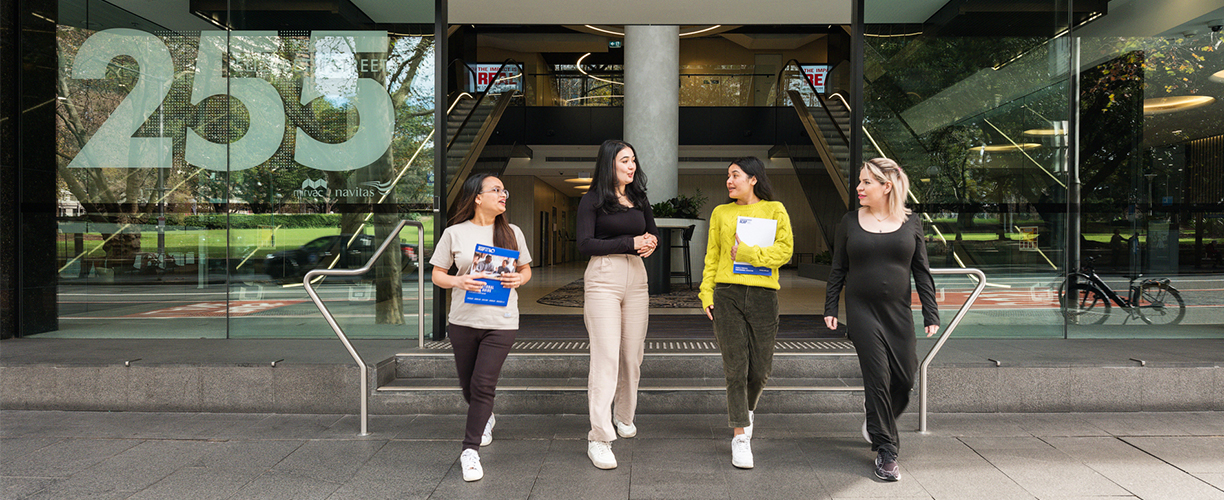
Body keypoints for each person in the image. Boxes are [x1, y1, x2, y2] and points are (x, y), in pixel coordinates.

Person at [824, 158, 939, 482]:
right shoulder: (849, 221)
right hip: (861, 311)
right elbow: (838, 269)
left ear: (886, 186)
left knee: (905, 379)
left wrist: (930, 311)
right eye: (859, 182)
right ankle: (887, 450)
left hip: (898, 312)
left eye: (865, 182)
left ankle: (876, 416)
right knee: (877, 377)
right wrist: (831, 307)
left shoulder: (911, 222)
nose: (858, 188)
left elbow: (921, 271)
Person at [429, 174, 532, 482]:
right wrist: (458, 280)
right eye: (496, 190)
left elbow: (525, 270)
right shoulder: (454, 233)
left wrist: (519, 279)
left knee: (483, 384)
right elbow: (437, 275)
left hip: (500, 323)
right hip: (462, 321)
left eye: (504, 190)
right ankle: (485, 415)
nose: (503, 195)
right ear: (477, 197)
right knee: (468, 385)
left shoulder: (512, 232)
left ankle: (469, 451)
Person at [699, 157, 793, 470]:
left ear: (753, 179)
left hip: (765, 295)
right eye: (728, 175)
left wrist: (749, 254)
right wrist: (706, 293)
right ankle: (740, 435)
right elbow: (712, 256)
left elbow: (785, 251)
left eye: (735, 175)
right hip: (727, 294)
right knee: (735, 367)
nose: (729, 180)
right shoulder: (721, 213)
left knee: (761, 369)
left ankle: (746, 411)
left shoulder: (775, 209)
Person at [577, 139, 659, 470]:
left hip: (637, 278)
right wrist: (629, 242)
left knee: (631, 355)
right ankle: (598, 436)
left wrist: (651, 241)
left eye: (634, 160)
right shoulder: (593, 200)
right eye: (625, 160)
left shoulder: (639, 198)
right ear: (609, 163)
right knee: (607, 356)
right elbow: (585, 243)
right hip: (603, 277)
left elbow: (651, 231)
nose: (631, 165)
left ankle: (623, 416)